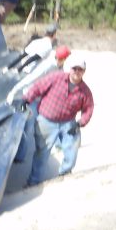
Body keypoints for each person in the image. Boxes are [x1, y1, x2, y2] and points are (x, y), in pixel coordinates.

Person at [23, 52, 93, 186]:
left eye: (80, 69)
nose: (77, 72)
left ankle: (65, 175)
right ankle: (33, 182)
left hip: (68, 123)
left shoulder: (85, 91)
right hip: (46, 120)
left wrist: (79, 123)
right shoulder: (55, 78)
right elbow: (37, 88)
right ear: (69, 68)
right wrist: (26, 100)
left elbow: (88, 109)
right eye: (75, 68)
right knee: (42, 153)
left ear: (84, 71)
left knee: (72, 149)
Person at [7, 45, 71, 163]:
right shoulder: (48, 65)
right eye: (64, 58)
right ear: (60, 57)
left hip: (42, 99)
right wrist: (14, 90)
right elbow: (31, 78)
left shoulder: (59, 66)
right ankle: (20, 156)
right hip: (31, 98)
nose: (64, 61)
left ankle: (57, 144)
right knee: (27, 126)